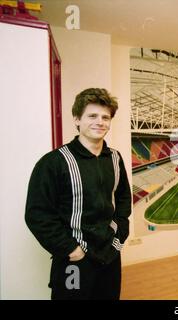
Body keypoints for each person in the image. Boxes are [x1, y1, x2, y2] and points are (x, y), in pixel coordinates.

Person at [25, 88, 132, 300]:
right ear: (77, 120)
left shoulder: (115, 158)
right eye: (92, 116)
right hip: (74, 260)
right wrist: (71, 249)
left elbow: (123, 200)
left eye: (105, 117)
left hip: (109, 255)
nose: (99, 122)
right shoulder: (54, 162)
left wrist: (118, 238)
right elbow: (37, 214)